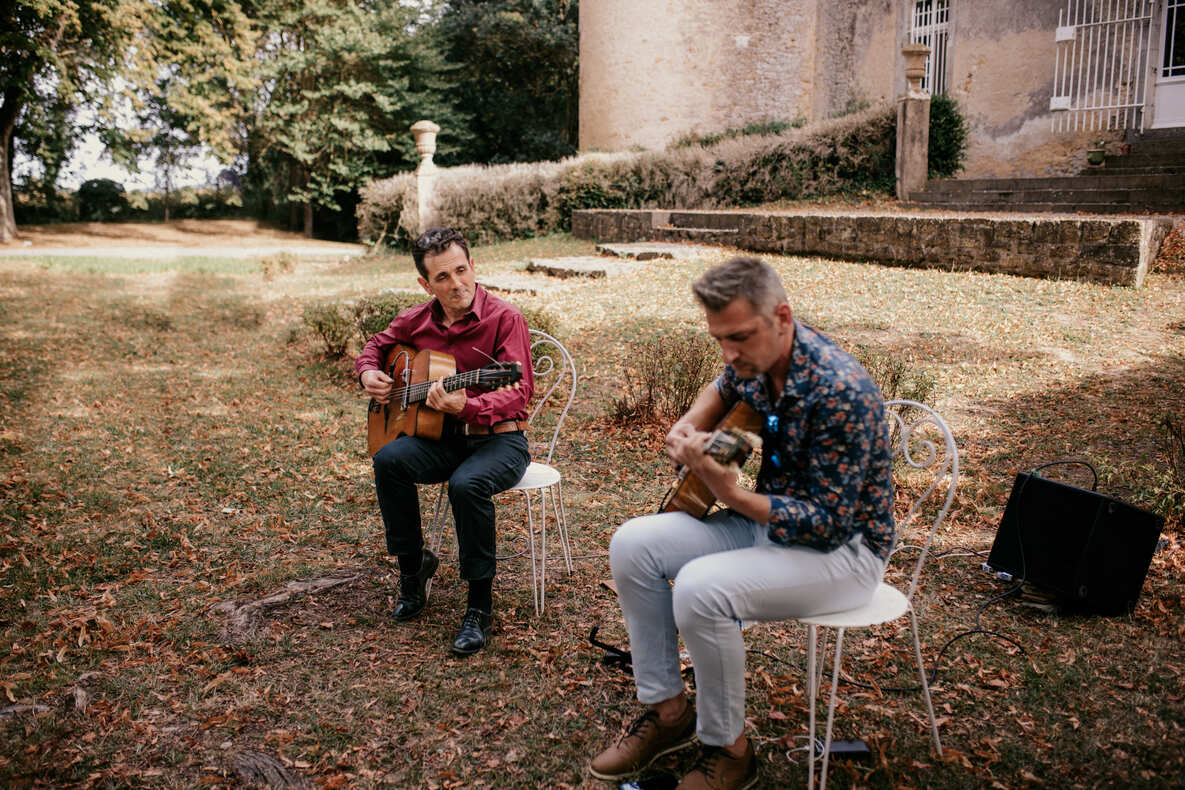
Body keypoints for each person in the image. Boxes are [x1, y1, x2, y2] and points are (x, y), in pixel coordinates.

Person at [589, 257, 895, 789]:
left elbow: (826, 524)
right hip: (767, 524)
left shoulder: (841, 391)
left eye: (740, 338)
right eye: (719, 339)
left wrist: (729, 491)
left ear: (782, 316)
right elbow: (725, 384)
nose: (730, 353)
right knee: (633, 544)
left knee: (701, 590)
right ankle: (668, 714)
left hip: (843, 552)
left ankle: (728, 750)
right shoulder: (756, 357)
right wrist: (691, 424)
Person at [355, 227, 533, 656]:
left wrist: (466, 406)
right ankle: (413, 569)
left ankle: (479, 606)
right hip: (440, 438)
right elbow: (376, 345)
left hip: (499, 441)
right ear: (425, 284)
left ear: (473, 266)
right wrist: (368, 372)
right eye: (443, 278)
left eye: (462, 271)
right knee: (389, 459)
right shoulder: (417, 320)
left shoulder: (505, 319)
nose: (457, 285)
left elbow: (518, 391)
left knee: (467, 485)